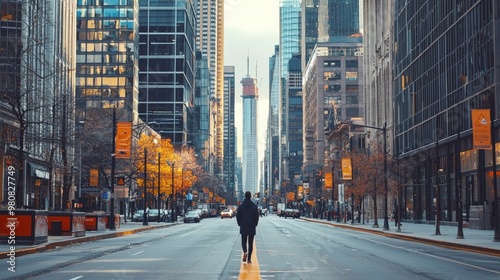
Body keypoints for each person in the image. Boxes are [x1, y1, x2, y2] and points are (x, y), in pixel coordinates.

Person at [236, 191, 259, 264]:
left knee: (243, 241)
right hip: (251, 226)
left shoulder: (240, 206)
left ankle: (245, 251)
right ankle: (249, 259)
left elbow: (238, 216)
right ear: (250, 196)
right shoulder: (254, 206)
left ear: (245, 196)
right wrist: (255, 224)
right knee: (250, 243)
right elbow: (256, 217)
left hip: (243, 226)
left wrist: (240, 224)